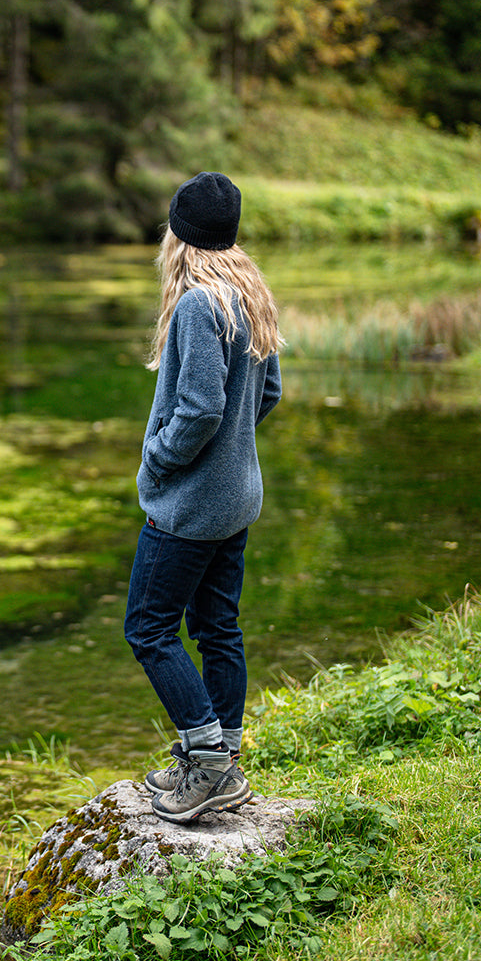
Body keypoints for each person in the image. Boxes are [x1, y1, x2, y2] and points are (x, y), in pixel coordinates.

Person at [124, 171, 283, 824]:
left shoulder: (196, 305)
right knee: (217, 627)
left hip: (189, 508)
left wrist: (159, 460)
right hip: (238, 498)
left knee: (149, 627)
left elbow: (197, 409)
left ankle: (208, 762)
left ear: (178, 236)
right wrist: (231, 457)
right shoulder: (250, 293)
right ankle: (223, 759)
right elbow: (267, 394)